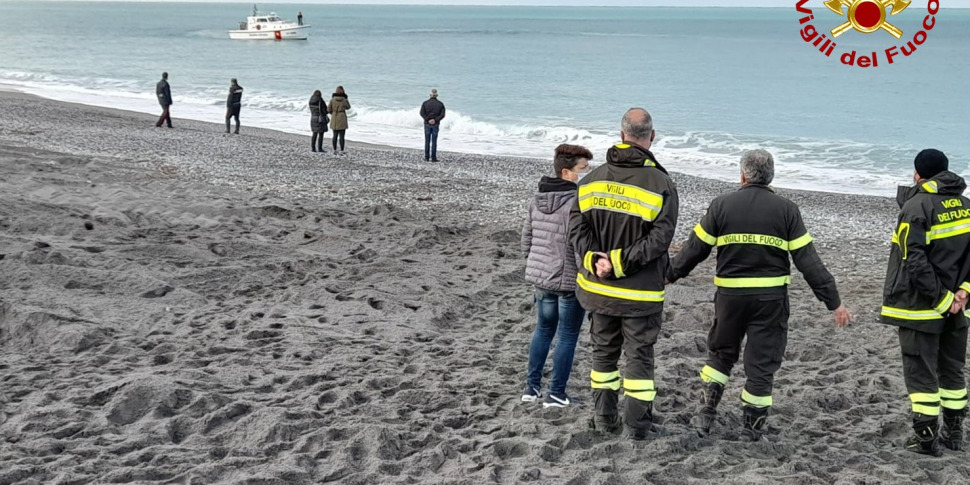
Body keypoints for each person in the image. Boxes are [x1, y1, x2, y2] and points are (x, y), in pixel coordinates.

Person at [666, 149, 851, 442]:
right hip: (770, 302)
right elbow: (808, 261)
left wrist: (668, 275)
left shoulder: (721, 205)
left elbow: (693, 250)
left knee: (721, 355)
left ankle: (705, 416)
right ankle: (751, 431)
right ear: (772, 176)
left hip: (729, 299)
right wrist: (834, 302)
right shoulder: (787, 210)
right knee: (761, 365)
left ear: (742, 175)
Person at [568, 108, 678, 440]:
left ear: (621, 136)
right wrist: (616, 262)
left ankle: (604, 420)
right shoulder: (662, 184)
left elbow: (575, 231)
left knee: (603, 354)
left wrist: (597, 260)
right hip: (640, 295)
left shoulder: (590, 180)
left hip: (599, 289)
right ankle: (637, 427)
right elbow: (660, 241)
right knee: (639, 361)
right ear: (652, 137)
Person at [880, 149, 970, 456]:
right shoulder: (966, 206)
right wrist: (964, 293)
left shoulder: (916, 206)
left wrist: (943, 299)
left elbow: (913, 261)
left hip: (921, 308)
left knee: (921, 373)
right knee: (952, 372)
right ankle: (954, 434)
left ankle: (926, 439)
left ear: (918, 174)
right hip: (959, 310)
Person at [521, 144, 592, 408]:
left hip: (540, 278)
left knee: (543, 330)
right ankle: (556, 393)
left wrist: (532, 264)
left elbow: (526, 239)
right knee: (567, 335)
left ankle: (531, 387)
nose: (586, 175)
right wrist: (585, 274)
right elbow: (578, 246)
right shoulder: (577, 203)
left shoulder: (536, 198)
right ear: (566, 171)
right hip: (567, 280)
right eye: (582, 170)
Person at [419, 89, 445, 162]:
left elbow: (422, 113)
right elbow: (442, 115)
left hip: (427, 123)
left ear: (430, 95)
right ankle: (433, 158)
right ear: (437, 95)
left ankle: (426, 157)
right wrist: (435, 120)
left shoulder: (425, 103)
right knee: (434, 141)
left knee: (427, 141)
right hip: (435, 124)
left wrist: (428, 119)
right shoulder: (440, 104)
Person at [328, 86, 350, 153]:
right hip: (342, 116)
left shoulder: (332, 100)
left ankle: (334, 149)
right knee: (342, 136)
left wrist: (333, 113)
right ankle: (342, 150)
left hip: (334, 117)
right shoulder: (344, 100)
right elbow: (348, 107)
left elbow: (328, 109)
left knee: (334, 135)